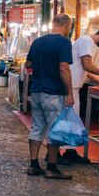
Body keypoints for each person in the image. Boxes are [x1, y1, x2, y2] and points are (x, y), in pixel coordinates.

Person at [25, 14, 74, 179]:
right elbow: (64, 69)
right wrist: (70, 93)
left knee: (37, 127)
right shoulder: (64, 43)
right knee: (54, 129)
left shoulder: (38, 42)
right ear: (67, 26)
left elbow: (28, 64)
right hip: (54, 93)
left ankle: (33, 165)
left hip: (36, 91)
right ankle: (52, 167)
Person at [61, 29, 99, 164]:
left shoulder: (88, 44)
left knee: (72, 121)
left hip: (73, 86)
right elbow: (87, 65)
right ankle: (56, 154)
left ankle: (69, 151)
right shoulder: (86, 41)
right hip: (69, 87)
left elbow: (87, 72)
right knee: (67, 121)